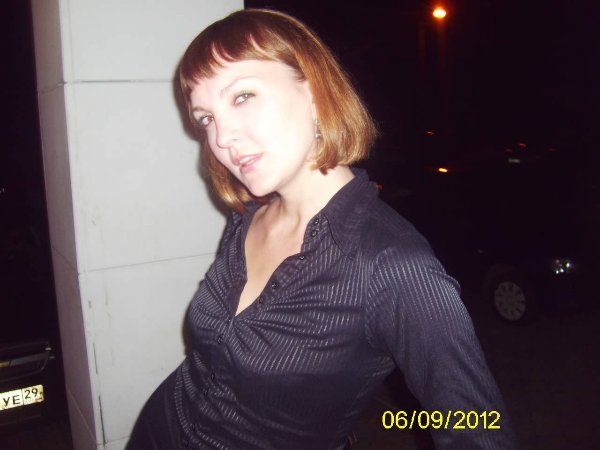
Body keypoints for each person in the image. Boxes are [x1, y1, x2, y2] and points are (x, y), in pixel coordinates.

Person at [128, 9, 516, 449]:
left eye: (242, 96)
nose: (222, 138)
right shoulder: (247, 217)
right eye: (206, 118)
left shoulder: (392, 266)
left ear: (314, 90)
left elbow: (477, 428)